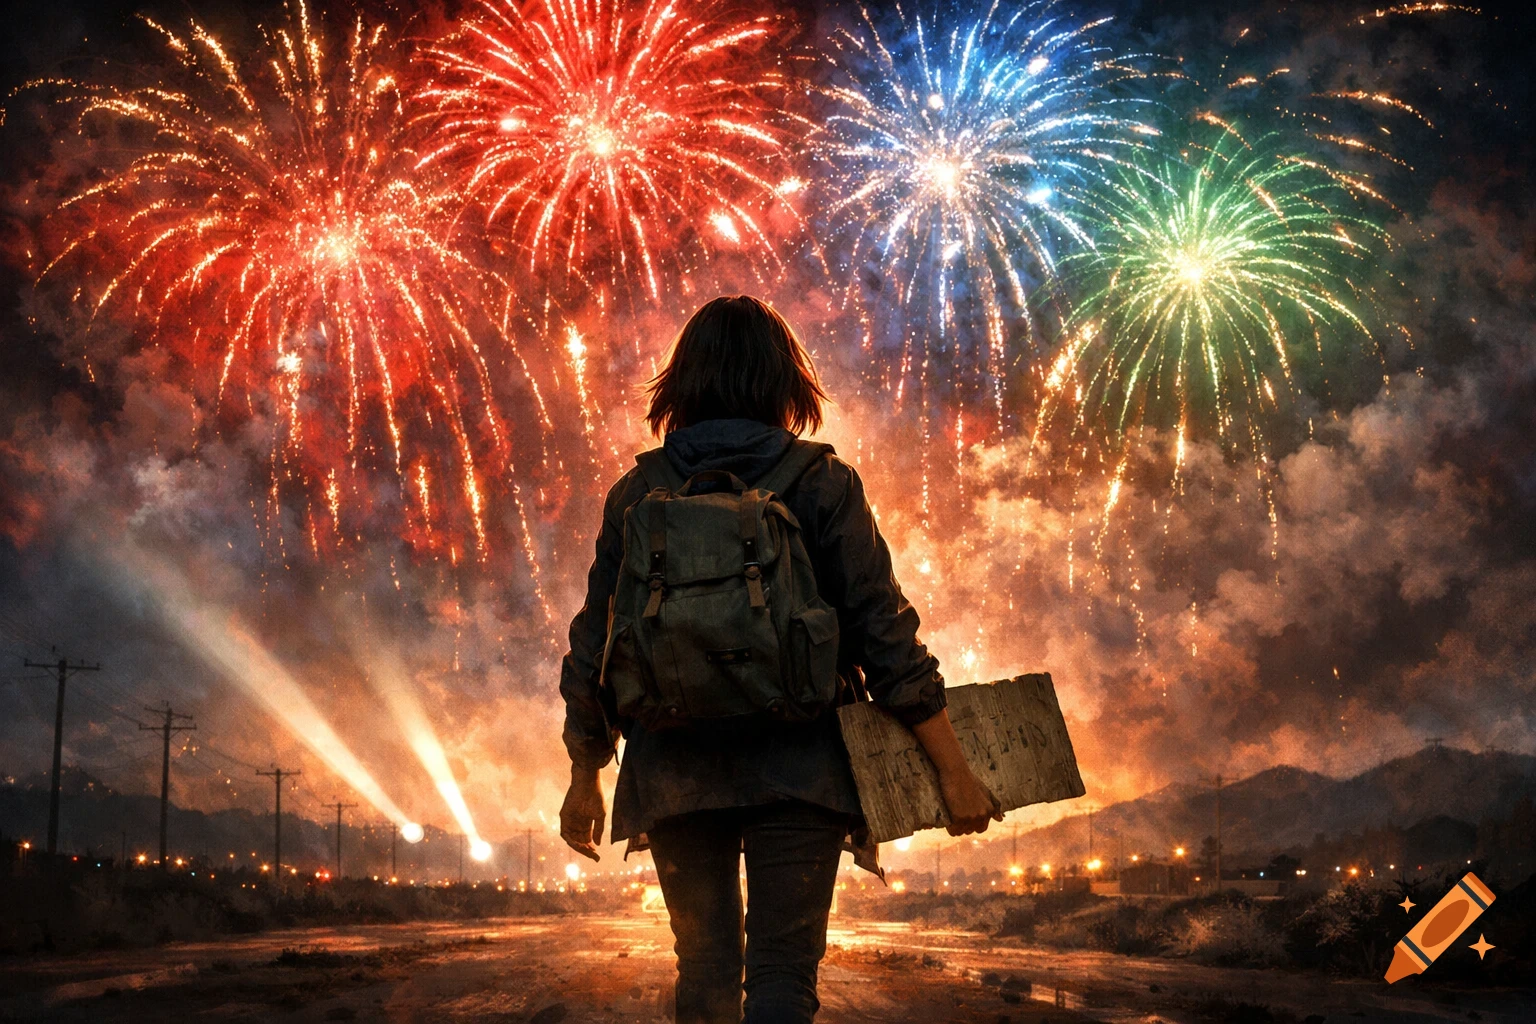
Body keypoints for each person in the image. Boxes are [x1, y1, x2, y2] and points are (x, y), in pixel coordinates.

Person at [558, 295, 1000, 1024]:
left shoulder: (638, 492)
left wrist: (585, 774)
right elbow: (883, 635)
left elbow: (593, 647)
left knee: (702, 969)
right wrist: (953, 771)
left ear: (683, 382)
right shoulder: (822, 482)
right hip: (801, 769)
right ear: (782, 380)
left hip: (673, 771)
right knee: (782, 977)